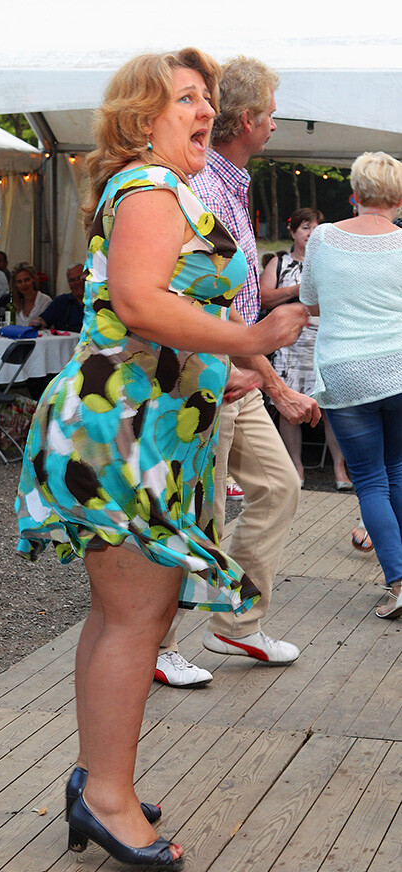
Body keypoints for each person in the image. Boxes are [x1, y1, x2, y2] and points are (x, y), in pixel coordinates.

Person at [15, 48, 307, 871]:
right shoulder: (149, 187)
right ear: (142, 118)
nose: (205, 109)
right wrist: (250, 336)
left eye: (206, 97)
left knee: (121, 616)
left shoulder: (159, 186)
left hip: (141, 428)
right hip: (125, 430)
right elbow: (140, 303)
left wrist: (226, 368)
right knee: (134, 620)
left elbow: (156, 313)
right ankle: (106, 797)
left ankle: (97, 780)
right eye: (185, 99)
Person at [156, 56, 321, 689]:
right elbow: (200, 300)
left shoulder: (227, 182)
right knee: (199, 513)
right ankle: (158, 643)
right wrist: (270, 377)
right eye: (271, 114)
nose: (276, 124)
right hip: (210, 369)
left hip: (234, 366)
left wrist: (264, 371)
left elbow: (230, 300)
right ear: (248, 120)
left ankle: (236, 622)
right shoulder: (201, 185)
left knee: (277, 486)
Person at [300, 151, 402, 619]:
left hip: (346, 372)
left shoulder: (323, 238)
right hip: (399, 369)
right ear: (399, 198)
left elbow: (310, 302)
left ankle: (398, 581)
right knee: (397, 470)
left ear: (354, 194)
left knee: (370, 480)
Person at [260, 207, 352, 490]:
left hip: (324, 342)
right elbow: (263, 298)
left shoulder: (331, 262)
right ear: (292, 232)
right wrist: (296, 289)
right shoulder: (279, 263)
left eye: (316, 227)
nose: (311, 233)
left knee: (329, 406)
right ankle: (296, 466)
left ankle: (339, 468)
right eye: (305, 227)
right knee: (289, 406)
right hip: (289, 346)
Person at [32, 263, 85, 333]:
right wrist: (36, 322)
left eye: (80, 278)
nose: (77, 283)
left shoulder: (97, 301)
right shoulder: (61, 302)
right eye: (72, 280)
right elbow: (43, 320)